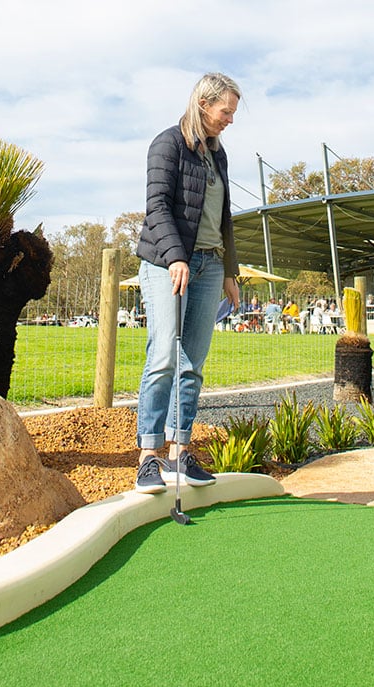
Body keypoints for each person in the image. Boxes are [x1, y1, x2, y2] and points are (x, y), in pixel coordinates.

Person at [133, 72, 241, 494]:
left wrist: (231, 271)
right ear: (203, 105)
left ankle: (180, 452)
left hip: (210, 265)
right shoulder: (168, 144)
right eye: (225, 111)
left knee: (192, 363)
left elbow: (224, 216)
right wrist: (176, 256)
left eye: (232, 112)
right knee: (163, 355)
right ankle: (149, 456)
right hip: (166, 264)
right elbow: (156, 206)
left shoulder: (218, 153)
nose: (230, 119)